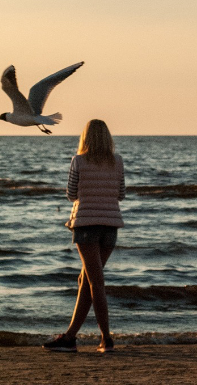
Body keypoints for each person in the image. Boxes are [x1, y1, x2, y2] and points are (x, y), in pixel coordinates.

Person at [43, 119, 126, 353]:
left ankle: (106, 338)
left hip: (86, 225)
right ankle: (70, 337)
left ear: (85, 138)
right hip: (110, 226)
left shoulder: (78, 161)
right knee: (86, 280)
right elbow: (121, 194)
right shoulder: (117, 161)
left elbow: (71, 194)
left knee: (95, 282)